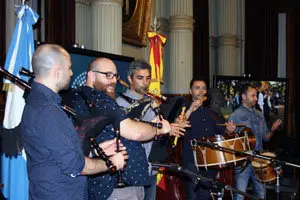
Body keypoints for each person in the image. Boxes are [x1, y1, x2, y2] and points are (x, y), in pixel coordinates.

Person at [20, 44, 128, 200]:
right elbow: (75, 166)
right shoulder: (47, 111)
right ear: (57, 71)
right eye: (69, 68)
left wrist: (94, 152)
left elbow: (55, 153)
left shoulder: (38, 104)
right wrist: (110, 163)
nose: (71, 73)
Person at [71, 57, 172, 200]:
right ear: (91, 75)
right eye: (107, 75)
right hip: (114, 187)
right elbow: (134, 132)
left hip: (126, 183)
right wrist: (158, 129)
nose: (113, 80)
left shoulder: (94, 98)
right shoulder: (98, 99)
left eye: (115, 76)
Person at [116, 59, 188, 200]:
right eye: (140, 78)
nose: (145, 82)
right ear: (130, 79)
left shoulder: (151, 103)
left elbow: (158, 131)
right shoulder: (119, 105)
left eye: (148, 78)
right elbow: (130, 133)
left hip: (152, 167)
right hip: (132, 169)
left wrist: (172, 126)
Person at [182, 78, 236, 200]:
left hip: (209, 163)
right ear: (190, 91)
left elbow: (220, 133)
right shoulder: (184, 108)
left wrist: (229, 130)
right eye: (197, 88)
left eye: (204, 88)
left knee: (205, 197)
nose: (201, 91)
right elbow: (178, 125)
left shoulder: (209, 112)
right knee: (193, 196)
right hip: (192, 164)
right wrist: (191, 109)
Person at [228, 84, 282, 200]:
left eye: (256, 96)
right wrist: (228, 131)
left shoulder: (259, 114)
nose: (256, 98)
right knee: (239, 195)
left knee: (261, 194)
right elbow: (229, 140)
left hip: (259, 160)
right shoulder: (235, 115)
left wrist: (272, 130)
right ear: (243, 96)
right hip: (243, 161)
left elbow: (266, 138)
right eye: (253, 96)